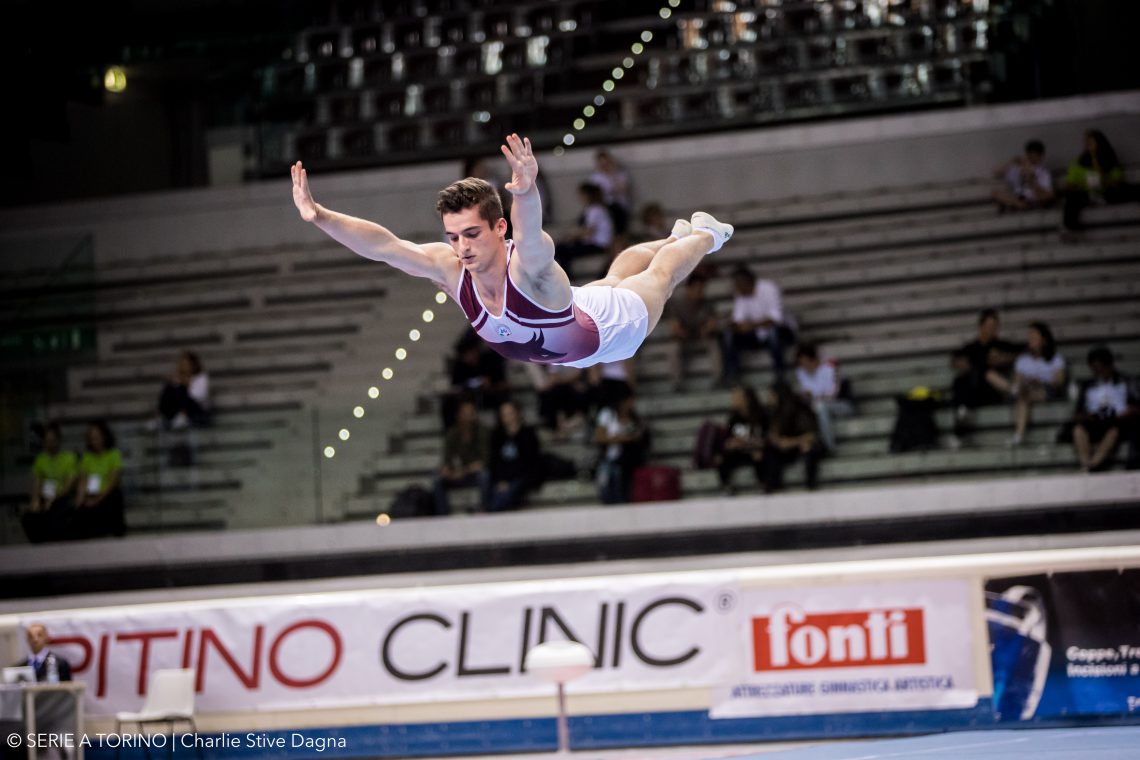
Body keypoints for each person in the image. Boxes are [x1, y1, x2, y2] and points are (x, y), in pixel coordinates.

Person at [290, 133, 733, 370]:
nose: (461, 248)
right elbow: (385, 246)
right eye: (453, 236)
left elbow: (532, 232)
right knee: (615, 279)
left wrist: (524, 192)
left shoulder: (529, 267)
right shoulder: (449, 268)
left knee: (659, 279)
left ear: (500, 228)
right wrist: (321, 216)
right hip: (580, 321)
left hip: (614, 331)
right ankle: (674, 236)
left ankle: (704, 236)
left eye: (472, 234)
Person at [950, 308, 1019, 443]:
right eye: (989, 326)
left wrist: (1001, 358)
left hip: (992, 393)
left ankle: (1010, 390)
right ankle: (1011, 389)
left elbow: (1019, 353)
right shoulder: (972, 347)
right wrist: (975, 363)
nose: (992, 330)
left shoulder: (1000, 345)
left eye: (995, 327)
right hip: (974, 391)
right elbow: (955, 360)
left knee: (981, 369)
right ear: (980, 327)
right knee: (967, 377)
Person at [721, 265, 793, 382]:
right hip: (757, 335)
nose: (735, 287)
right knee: (729, 334)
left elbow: (776, 318)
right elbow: (738, 319)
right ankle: (733, 373)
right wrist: (733, 325)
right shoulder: (740, 296)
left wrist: (751, 325)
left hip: (781, 332)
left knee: (773, 332)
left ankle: (780, 372)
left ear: (746, 281)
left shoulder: (769, 288)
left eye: (736, 284)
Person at [1071, 347, 1138, 472]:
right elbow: (1077, 414)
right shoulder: (1088, 385)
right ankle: (1086, 464)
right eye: (1095, 369)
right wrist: (1088, 416)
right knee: (1078, 431)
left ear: (1109, 365)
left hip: (1118, 423)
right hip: (1094, 423)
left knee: (1113, 432)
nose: (1098, 372)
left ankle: (1094, 463)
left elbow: (1136, 407)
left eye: (1101, 368)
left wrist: (1127, 412)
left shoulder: (1126, 382)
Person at [1009, 322, 1067, 447]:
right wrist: (1025, 382)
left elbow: (1059, 381)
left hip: (1049, 390)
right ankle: (1019, 435)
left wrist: (1041, 381)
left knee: (1027, 394)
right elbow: (1016, 384)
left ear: (1044, 340)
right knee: (1023, 394)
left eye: (1034, 337)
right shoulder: (1023, 360)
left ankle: (1019, 434)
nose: (1031, 340)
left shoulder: (1055, 359)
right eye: (1029, 337)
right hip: (1027, 391)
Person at [1062, 130, 1131, 233]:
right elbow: (1069, 185)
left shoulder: (1110, 159)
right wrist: (1083, 185)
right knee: (1072, 198)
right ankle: (1071, 226)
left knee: (1128, 189)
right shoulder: (1079, 162)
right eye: (1086, 143)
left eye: (1090, 143)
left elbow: (1118, 181)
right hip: (1086, 194)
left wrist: (1103, 177)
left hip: (1106, 193)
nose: (1087, 146)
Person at [22, 422, 78, 544]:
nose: (50, 444)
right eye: (47, 441)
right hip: (45, 498)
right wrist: (35, 502)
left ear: (59, 440)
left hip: (62, 499)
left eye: (52, 441)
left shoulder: (69, 458)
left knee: (57, 513)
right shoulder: (40, 460)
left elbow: (68, 486)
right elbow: (37, 484)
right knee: (29, 517)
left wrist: (53, 499)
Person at [432, 399, 491, 515]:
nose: (468, 418)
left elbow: (484, 461)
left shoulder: (482, 432)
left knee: (485, 475)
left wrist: (463, 471)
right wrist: (447, 470)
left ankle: (484, 508)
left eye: (470, 414)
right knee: (436, 476)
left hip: (473, 474)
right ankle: (442, 513)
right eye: (465, 414)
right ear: (459, 415)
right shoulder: (453, 434)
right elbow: (446, 459)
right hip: (458, 473)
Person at [441, 329, 508, 427]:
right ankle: (453, 432)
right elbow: (455, 386)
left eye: (471, 353)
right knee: (448, 404)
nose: (469, 357)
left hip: (489, 395)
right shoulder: (459, 365)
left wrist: (491, 384)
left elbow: (503, 384)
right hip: (467, 397)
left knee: (502, 401)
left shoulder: (490, 359)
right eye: (466, 355)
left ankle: (501, 430)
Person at [665, 274, 721, 391]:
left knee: (714, 344)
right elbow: (675, 327)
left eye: (702, 289)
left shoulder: (707, 304)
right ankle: (677, 384)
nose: (700, 292)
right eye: (697, 289)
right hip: (684, 338)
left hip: (702, 337)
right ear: (689, 289)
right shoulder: (678, 304)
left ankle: (718, 379)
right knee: (673, 349)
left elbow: (712, 324)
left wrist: (707, 329)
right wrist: (683, 332)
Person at [764, 381, 822, 492]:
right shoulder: (773, 413)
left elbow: (811, 435)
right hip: (787, 448)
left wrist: (791, 442)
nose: (768, 398)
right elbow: (774, 438)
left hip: (802, 445)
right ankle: (773, 486)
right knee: (769, 451)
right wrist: (780, 442)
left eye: (771, 395)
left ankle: (811, 485)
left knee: (809, 448)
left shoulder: (799, 407)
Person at [794, 343, 852, 453]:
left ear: (811, 359)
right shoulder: (801, 372)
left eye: (804, 362)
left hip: (841, 404)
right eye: (800, 363)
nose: (803, 366)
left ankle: (829, 447)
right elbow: (806, 394)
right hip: (816, 406)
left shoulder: (830, 366)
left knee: (821, 407)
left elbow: (833, 394)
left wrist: (814, 398)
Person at [594, 388, 648, 504]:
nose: (631, 404)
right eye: (629, 401)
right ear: (622, 401)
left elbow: (639, 436)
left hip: (629, 462)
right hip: (611, 461)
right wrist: (625, 438)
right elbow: (599, 437)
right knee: (611, 494)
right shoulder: (608, 414)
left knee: (626, 495)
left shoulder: (634, 417)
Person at [486, 400, 542, 511]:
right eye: (504, 414)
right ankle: (490, 509)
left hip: (522, 475)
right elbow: (495, 461)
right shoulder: (497, 435)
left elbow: (529, 461)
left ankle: (489, 511)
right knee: (492, 484)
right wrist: (501, 479)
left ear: (518, 413)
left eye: (510, 413)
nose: (507, 417)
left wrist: (508, 479)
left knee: (510, 489)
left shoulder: (528, 434)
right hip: (503, 478)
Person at [74, 420, 126, 539]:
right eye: (92, 438)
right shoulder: (87, 457)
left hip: (107, 496)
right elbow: (83, 481)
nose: (95, 441)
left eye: (97, 437)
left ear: (104, 437)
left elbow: (113, 482)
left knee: (115, 496)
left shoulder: (113, 454)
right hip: (91, 495)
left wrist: (97, 499)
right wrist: (79, 501)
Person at [554, 182, 613, 280]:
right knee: (563, 248)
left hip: (598, 245)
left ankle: (567, 278)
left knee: (561, 249)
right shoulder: (594, 209)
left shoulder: (595, 210)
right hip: (593, 243)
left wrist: (570, 236)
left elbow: (589, 231)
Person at [716, 385, 767, 494]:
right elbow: (731, 437)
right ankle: (726, 485)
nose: (733, 400)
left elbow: (765, 437)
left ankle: (764, 483)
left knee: (759, 455)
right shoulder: (734, 418)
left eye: (737, 397)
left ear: (747, 399)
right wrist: (733, 443)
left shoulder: (761, 415)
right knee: (722, 457)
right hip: (742, 451)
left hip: (758, 449)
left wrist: (748, 443)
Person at [147, 351, 210, 431]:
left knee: (180, 389)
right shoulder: (178, 378)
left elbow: (199, 397)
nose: (184, 367)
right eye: (182, 364)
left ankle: (183, 416)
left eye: (186, 364)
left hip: (197, 411)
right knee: (169, 387)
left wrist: (186, 385)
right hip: (179, 409)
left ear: (193, 365)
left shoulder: (201, 378)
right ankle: (160, 417)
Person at [991, 139, 1054, 212]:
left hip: (1034, 197)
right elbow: (996, 173)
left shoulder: (1044, 172)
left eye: (1035, 156)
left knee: (1049, 195)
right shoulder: (1018, 169)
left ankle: (1018, 205)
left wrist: (1031, 179)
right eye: (1029, 156)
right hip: (1018, 197)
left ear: (1041, 157)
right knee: (995, 193)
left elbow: (1047, 193)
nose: (1032, 159)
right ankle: (1020, 205)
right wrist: (1011, 161)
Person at [590, 150, 633, 236]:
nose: (605, 166)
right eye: (602, 164)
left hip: (619, 206)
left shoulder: (620, 175)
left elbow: (623, 189)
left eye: (606, 163)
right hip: (604, 207)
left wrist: (612, 175)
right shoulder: (595, 178)